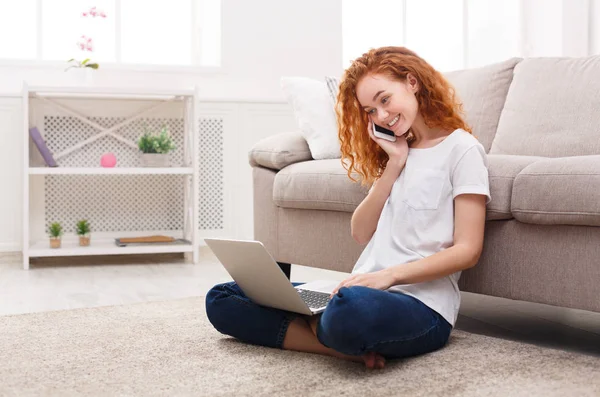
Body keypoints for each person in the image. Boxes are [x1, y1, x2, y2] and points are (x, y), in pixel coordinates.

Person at [205, 46, 490, 370]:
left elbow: (468, 250)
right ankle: (335, 348)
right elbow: (360, 232)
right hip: (357, 289)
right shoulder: (398, 154)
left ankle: (324, 329)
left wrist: (387, 277)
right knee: (222, 298)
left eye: (384, 100)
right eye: (370, 110)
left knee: (347, 313)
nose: (381, 116)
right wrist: (395, 163)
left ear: (412, 82)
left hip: (422, 305)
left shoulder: (462, 150)